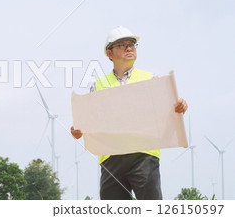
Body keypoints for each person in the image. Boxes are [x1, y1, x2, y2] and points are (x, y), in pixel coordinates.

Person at [70, 26, 188, 200]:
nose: (129, 48)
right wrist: (77, 130)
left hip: (144, 156)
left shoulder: (151, 79)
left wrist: (180, 107)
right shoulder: (96, 86)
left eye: (132, 44)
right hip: (111, 160)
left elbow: (169, 109)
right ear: (109, 53)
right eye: (122, 45)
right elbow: (87, 123)